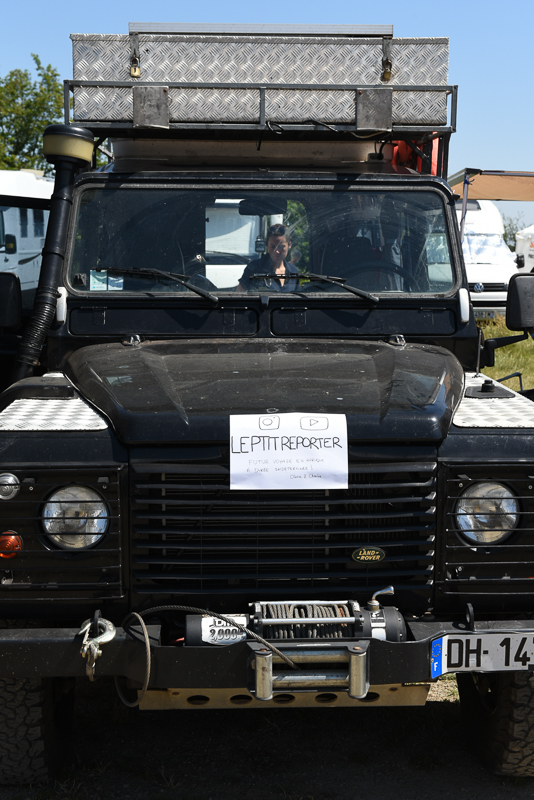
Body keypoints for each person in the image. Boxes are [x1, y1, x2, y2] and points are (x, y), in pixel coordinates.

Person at [237, 224, 299, 292]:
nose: (277, 251)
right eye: (273, 247)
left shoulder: (293, 271)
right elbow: (239, 295)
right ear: (266, 245)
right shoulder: (254, 268)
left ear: (289, 245)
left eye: (281, 247)